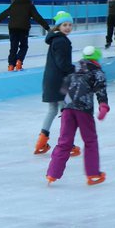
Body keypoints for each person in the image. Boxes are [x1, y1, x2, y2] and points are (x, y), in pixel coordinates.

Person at [46, 45, 109, 186]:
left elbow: (63, 88)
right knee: (90, 140)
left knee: (64, 142)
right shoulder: (97, 72)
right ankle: (93, 174)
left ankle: (52, 173)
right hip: (83, 109)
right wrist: (103, 105)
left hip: (67, 108)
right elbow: (101, 91)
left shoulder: (74, 69)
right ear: (96, 58)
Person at [35, 11, 80, 155]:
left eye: (70, 25)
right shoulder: (62, 41)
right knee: (66, 113)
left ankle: (41, 141)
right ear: (58, 26)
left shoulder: (55, 39)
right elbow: (63, 64)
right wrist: (77, 69)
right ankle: (68, 144)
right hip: (60, 82)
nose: (67, 28)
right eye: (64, 25)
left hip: (50, 80)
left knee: (53, 110)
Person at [0, 0, 51, 71]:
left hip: (12, 28)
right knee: (24, 46)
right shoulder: (29, 5)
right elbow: (38, 17)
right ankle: (19, 61)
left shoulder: (14, 4)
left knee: (13, 47)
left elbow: (5, 13)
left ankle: (11, 65)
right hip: (24, 28)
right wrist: (47, 28)